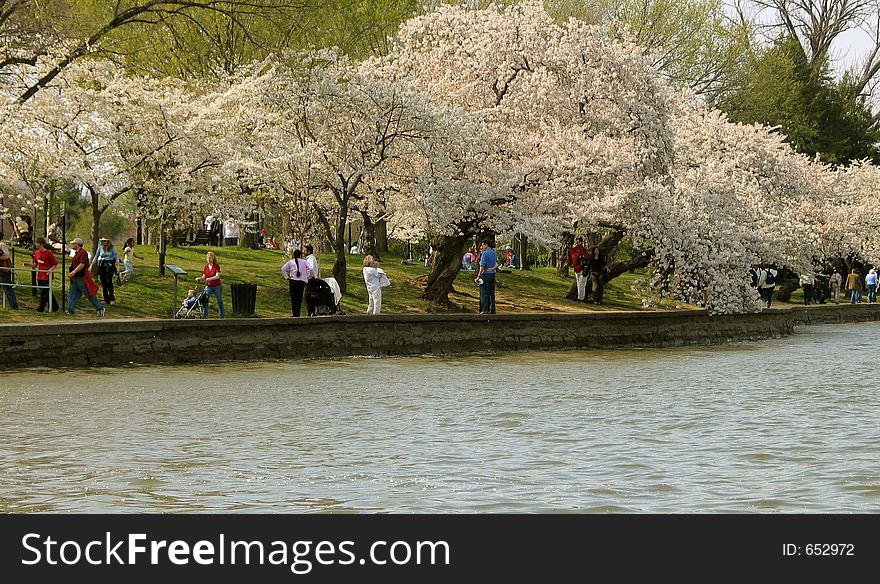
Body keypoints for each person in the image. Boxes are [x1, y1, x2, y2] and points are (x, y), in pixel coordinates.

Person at [66, 237, 105, 316]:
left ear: (78, 244)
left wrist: (73, 272)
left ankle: (100, 308)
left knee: (89, 294)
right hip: (75, 278)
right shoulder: (77, 253)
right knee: (72, 294)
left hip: (81, 277)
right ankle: (70, 310)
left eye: (73, 243)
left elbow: (82, 264)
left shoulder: (83, 253)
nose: (72, 245)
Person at [29, 238, 59, 312]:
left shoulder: (48, 253)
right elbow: (35, 264)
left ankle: (41, 308)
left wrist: (50, 270)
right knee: (46, 291)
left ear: (40, 244)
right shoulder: (36, 253)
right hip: (40, 275)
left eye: (36, 243)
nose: (35, 244)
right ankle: (55, 306)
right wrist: (30, 265)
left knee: (44, 292)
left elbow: (55, 263)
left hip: (47, 276)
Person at [196, 251, 224, 318]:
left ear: (213, 258)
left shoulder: (216, 266)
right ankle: (205, 315)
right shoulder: (206, 267)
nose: (209, 260)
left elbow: (218, 276)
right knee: (205, 300)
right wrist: (199, 278)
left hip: (217, 285)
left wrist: (210, 279)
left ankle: (222, 315)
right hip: (209, 286)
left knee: (219, 300)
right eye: (208, 258)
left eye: (210, 258)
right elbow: (204, 276)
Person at [281, 249, 309, 317]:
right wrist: (307, 277)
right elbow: (310, 269)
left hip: (293, 281)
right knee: (299, 298)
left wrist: (287, 277)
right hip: (301, 282)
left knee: (294, 298)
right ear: (300, 255)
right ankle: (298, 313)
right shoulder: (304, 262)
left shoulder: (291, 262)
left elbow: (283, 269)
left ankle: (294, 313)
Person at [92, 237, 119, 304]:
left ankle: (111, 297)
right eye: (102, 241)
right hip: (102, 266)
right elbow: (96, 256)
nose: (104, 242)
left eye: (105, 241)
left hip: (110, 266)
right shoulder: (100, 247)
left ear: (108, 241)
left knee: (109, 281)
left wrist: (117, 266)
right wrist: (91, 265)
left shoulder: (112, 248)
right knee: (103, 282)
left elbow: (116, 257)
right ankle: (106, 298)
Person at [475, 239, 498, 314]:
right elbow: (497, 263)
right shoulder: (494, 253)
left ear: (486, 245)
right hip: (492, 274)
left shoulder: (485, 254)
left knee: (484, 292)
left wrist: (478, 276)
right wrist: (492, 268)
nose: (481, 247)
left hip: (485, 275)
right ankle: (492, 309)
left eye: (482, 245)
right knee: (492, 293)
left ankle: (485, 309)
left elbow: (482, 266)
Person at [0, 239, 19, 309]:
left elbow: (6, 256)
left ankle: (14, 305)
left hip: (3, 270)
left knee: (7, 288)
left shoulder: (2, 245)